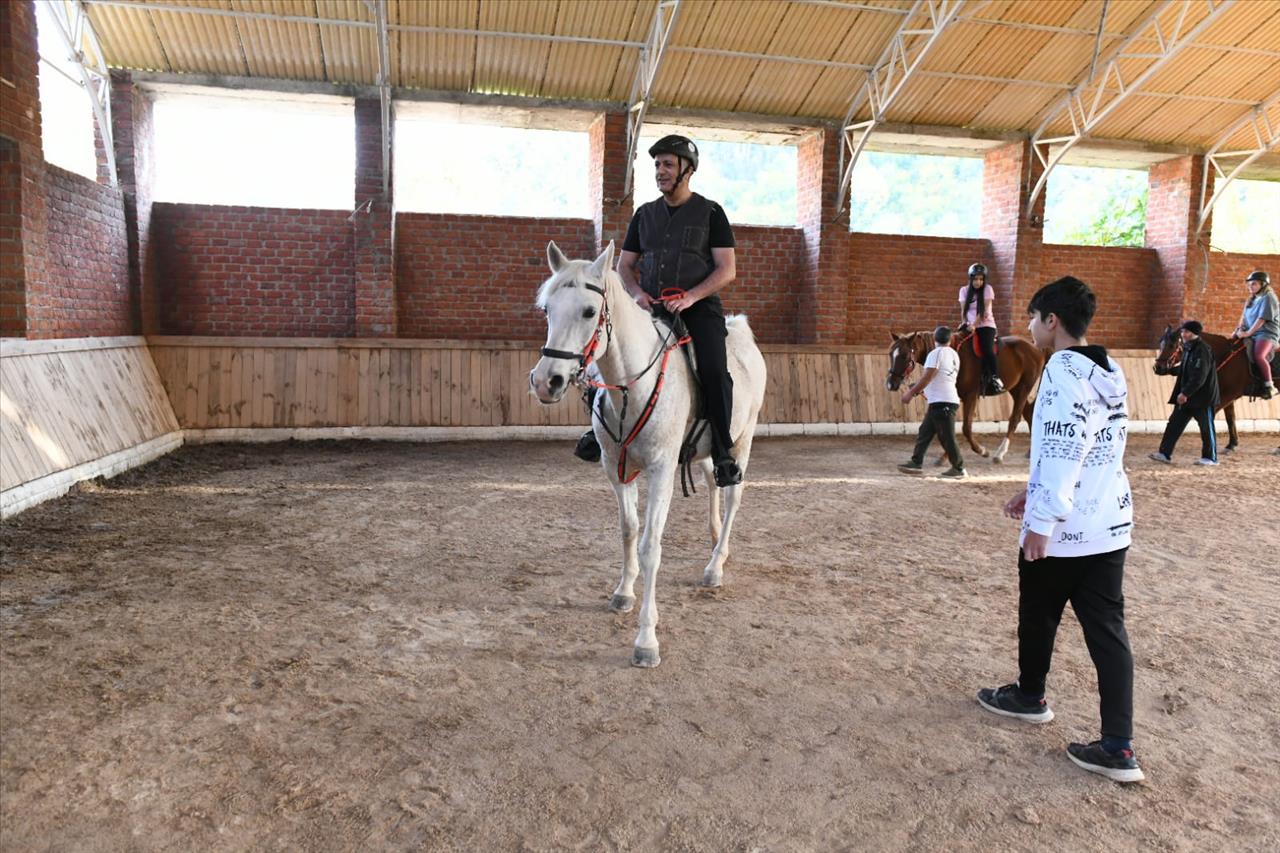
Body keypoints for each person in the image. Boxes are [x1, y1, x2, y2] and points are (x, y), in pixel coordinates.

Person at [977, 276, 1143, 784]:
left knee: (1039, 611)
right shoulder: (1108, 368)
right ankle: (1118, 745)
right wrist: (1035, 492)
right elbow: (1093, 447)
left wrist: (1042, 519)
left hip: (1067, 529)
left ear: (1052, 320)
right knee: (1109, 634)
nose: (1028, 326)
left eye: (1033, 316)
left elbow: (1065, 445)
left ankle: (1030, 695)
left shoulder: (1060, 373)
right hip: (1109, 521)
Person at [574, 135, 742, 487]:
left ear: (687, 170)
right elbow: (624, 267)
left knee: (713, 369)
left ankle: (724, 452)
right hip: (650, 309)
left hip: (698, 308)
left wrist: (692, 297)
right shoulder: (644, 215)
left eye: (667, 164)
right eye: (656, 165)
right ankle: (599, 433)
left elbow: (727, 269)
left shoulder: (712, 213)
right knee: (600, 357)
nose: (660, 171)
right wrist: (636, 295)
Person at [896, 325, 966, 479]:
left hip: (942, 401)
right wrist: (922, 389)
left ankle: (959, 468)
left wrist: (910, 393)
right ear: (949, 339)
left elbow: (928, 376)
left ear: (934, 338)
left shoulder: (935, 354)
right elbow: (942, 378)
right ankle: (916, 462)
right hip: (942, 399)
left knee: (947, 437)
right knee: (925, 432)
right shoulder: (954, 355)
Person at [1149, 320, 1220, 466]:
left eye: (1186, 332)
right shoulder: (1188, 348)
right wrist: (1168, 371)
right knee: (1174, 424)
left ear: (1193, 333)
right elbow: (1185, 368)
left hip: (1202, 398)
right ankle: (1164, 453)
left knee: (1206, 428)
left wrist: (1185, 393)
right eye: (1183, 331)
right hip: (1187, 398)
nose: (1183, 334)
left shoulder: (1202, 350)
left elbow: (1199, 375)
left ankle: (1210, 457)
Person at [1230, 270, 1278, 399]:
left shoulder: (1268, 298)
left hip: (1266, 333)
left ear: (1263, 285)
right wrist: (1237, 331)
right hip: (1252, 332)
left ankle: (1269, 386)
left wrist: (1247, 333)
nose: (1250, 287)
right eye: (1249, 284)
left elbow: (1261, 319)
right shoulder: (1251, 299)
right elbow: (1244, 319)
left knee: (1259, 355)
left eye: (1254, 284)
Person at [959, 262, 1004, 396]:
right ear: (970, 278)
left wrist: (974, 325)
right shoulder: (963, 290)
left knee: (987, 350)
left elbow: (983, 311)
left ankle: (995, 378)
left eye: (981, 279)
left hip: (985, 325)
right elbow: (963, 310)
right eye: (975, 279)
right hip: (969, 325)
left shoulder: (988, 289)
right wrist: (964, 323)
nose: (978, 282)